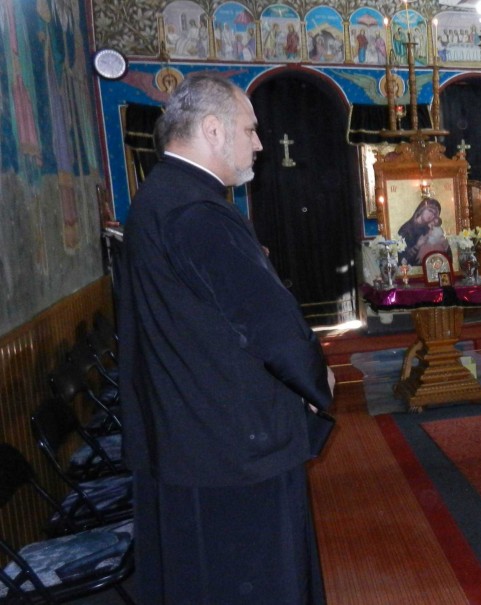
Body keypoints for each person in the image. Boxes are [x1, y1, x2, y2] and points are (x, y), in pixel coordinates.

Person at [118, 73, 334, 604]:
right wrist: (314, 382)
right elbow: (267, 321)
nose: (258, 143)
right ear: (213, 130)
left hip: (190, 433)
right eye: (250, 129)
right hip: (231, 446)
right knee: (253, 580)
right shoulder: (197, 211)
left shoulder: (162, 196)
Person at [397, 197, 447, 265]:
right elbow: (402, 258)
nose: (431, 215)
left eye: (434, 214)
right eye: (430, 211)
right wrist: (417, 246)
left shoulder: (430, 230)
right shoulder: (406, 230)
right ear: (422, 209)